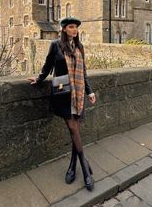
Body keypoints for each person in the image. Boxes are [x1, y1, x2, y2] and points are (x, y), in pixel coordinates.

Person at [28, 17, 96, 191]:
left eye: (76, 27)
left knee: (76, 131)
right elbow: (48, 66)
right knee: (74, 128)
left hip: (78, 94)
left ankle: (73, 166)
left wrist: (89, 91)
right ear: (64, 29)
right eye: (71, 27)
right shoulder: (56, 45)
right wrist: (39, 78)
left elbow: (84, 72)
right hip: (64, 94)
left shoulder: (80, 47)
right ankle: (85, 170)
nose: (75, 30)